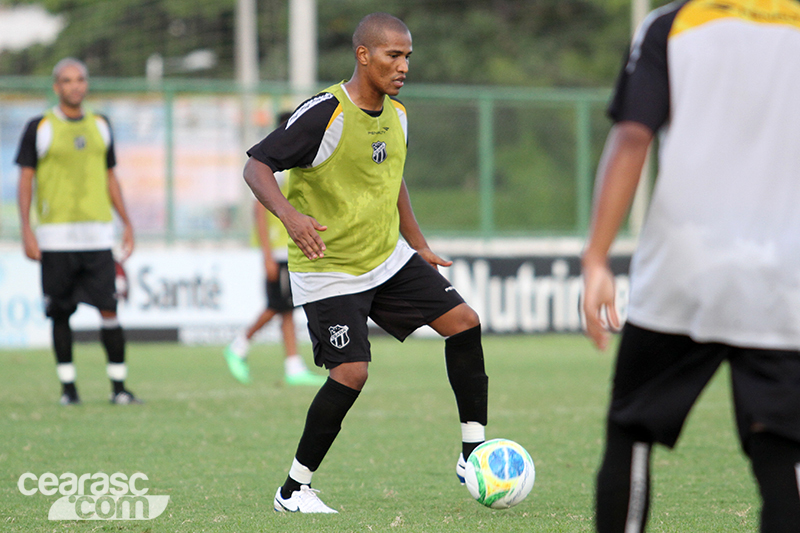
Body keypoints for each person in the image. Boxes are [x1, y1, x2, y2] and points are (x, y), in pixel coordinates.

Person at [243, 12, 489, 514]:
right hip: (329, 269)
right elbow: (256, 165)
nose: (402, 66)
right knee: (351, 372)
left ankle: (473, 451)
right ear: (364, 55)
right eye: (392, 56)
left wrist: (417, 243)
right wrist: (290, 217)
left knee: (464, 323)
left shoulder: (397, 116)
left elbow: (391, 178)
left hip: (388, 258)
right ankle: (293, 489)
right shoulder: (324, 113)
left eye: (407, 57)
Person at [581, 1, 800, 531]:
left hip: (683, 270)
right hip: (781, 279)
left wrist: (596, 258)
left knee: (631, 434)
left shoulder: (669, 25)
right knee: (783, 449)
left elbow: (633, 137)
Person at [16, 58, 140, 406]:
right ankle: (68, 390)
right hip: (55, 239)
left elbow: (110, 176)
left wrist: (127, 222)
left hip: (98, 237)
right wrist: (26, 229)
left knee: (109, 310)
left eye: (80, 79)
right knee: (60, 311)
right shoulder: (38, 126)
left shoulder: (101, 125)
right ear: (56, 87)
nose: (75, 85)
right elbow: (25, 180)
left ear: (86, 84)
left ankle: (119, 388)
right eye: (67, 80)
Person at [224, 111, 326, 387]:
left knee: (286, 309)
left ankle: (293, 366)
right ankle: (239, 345)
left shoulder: (297, 161)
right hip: (279, 251)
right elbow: (259, 208)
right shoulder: (277, 164)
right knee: (277, 305)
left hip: (291, 249)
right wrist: (266, 255)